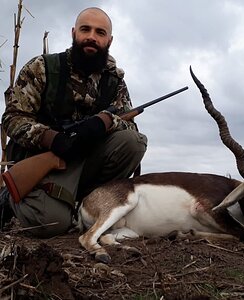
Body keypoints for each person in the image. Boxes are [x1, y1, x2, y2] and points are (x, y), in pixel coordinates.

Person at [0, 7, 147, 237]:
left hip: (86, 163)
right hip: (43, 161)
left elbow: (130, 125)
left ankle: (85, 201)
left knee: (133, 142)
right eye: (85, 29)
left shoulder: (115, 82)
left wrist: (106, 123)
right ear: (73, 32)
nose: (92, 36)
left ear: (109, 40)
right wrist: (52, 138)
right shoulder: (42, 68)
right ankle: (11, 199)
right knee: (49, 224)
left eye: (100, 32)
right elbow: (12, 119)